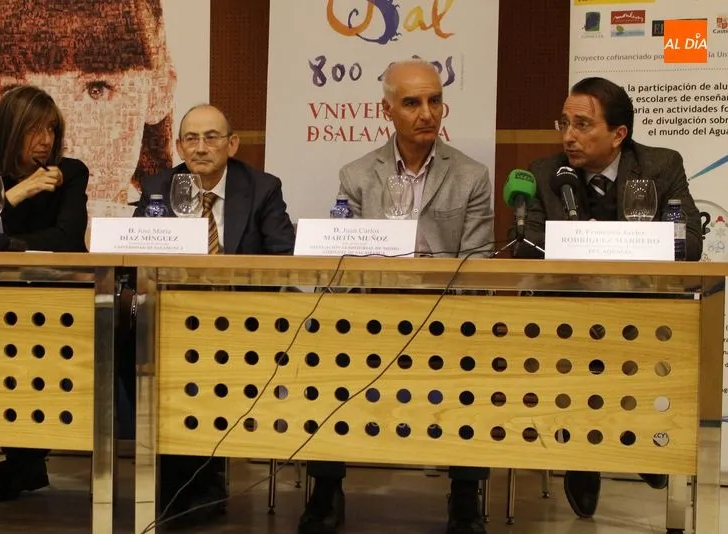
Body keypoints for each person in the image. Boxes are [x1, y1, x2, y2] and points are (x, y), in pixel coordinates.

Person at [300, 60, 495, 534]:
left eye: (434, 100)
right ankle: (326, 488)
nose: (427, 112)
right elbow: (345, 258)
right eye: (412, 102)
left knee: (477, 358)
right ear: (386, 110)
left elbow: (478, 261)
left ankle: (465, 496)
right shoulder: (358, 174)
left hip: (447, 319)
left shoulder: (471, 175)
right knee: (326, 353)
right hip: (373, 317)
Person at [515, 76, 700, 518]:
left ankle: (631, 440)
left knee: (632, 346)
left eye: (582, 124)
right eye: (564, 123)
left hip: (641, 312)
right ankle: (592, 453)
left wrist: (619, 244)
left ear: (619, 134)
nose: (568, 136)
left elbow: (689, 243)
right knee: (582, 351)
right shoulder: (545, 174)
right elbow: (525, 245)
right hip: (567, 317)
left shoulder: (660, 166)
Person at [133, 104, 296, 528]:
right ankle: (178, 484)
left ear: (232, 143)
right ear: (179, 145)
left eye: (211, 137)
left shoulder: (260, 187)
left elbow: (284, 257)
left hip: (244, 322)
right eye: (191, 138)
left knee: (206, 361)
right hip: (173, 321)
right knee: (153, 353)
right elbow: (134, 257)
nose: (201, 147)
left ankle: (199, 486)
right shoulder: (158, 187)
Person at [0, 85, 89, 501]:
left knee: (33, 351)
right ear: (11, 130)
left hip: (60, 300)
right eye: (36, 129)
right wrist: (19, 192)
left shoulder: (70, 172)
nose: (46, 140)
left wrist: (8, 244)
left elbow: (68, 240)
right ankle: (24, 462)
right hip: (0, 302)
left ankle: (24, 462)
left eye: (51, 129)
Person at [0, 0, 176, 217]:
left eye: (96, 89)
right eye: (17, 92)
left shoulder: (164, 219)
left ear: (161, 87)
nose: (57, 140)